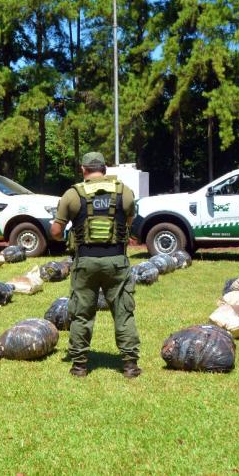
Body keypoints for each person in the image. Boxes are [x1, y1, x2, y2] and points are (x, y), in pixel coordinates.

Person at [50, 151, 140, 378]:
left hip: (85, 263)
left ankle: (79, 365)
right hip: (117, 261)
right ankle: (130, 365)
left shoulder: (72, 195)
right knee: (123, 313)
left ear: (83, 169)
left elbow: (56, 231)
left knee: (81, 314)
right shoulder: (124, 192)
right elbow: (129, 222)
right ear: (105, 168)